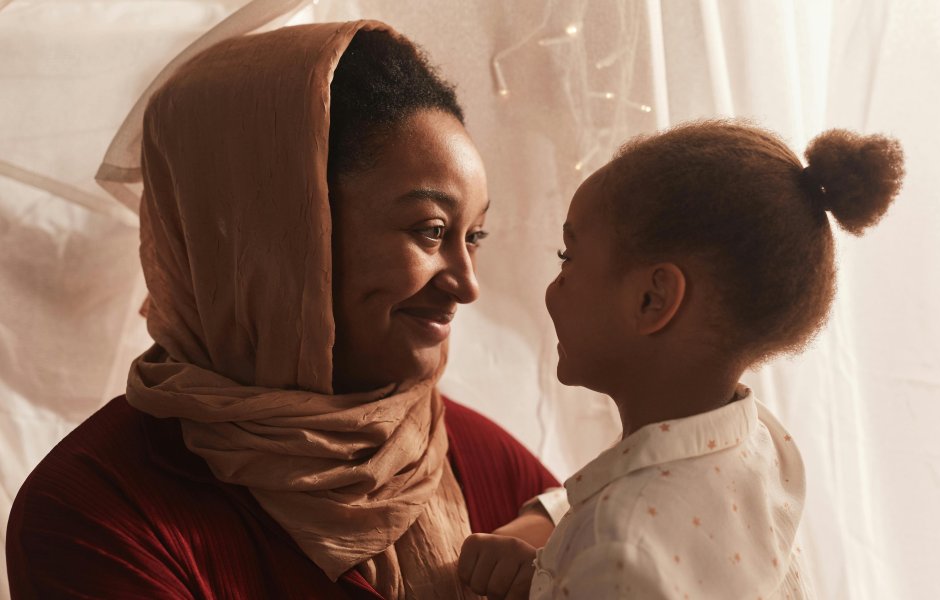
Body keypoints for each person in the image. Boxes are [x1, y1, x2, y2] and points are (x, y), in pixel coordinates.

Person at [6, 21, 561, 600]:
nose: (466, 285)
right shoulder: (98, 511)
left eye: (474, 236)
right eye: (430, 230)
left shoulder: (498, 472)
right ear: (278, 234)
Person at [458, 120, 905, 599]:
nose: (554, 284)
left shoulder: (620, 552)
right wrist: (547, 568)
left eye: (568, 256)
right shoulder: (763, 440)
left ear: (653, 299)